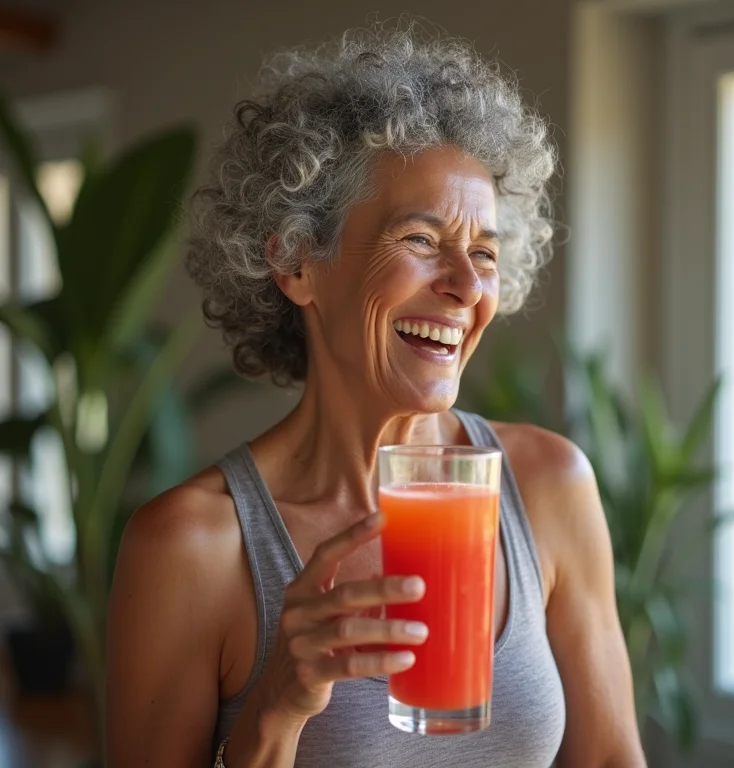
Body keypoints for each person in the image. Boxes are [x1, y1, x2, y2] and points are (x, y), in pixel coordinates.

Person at [107, 22, 647, 768]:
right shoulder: (193, 549)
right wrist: (274, 711)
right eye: (421, 241)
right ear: (297, 261)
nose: (465, 287)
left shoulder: (549, 486)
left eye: (484, 253)